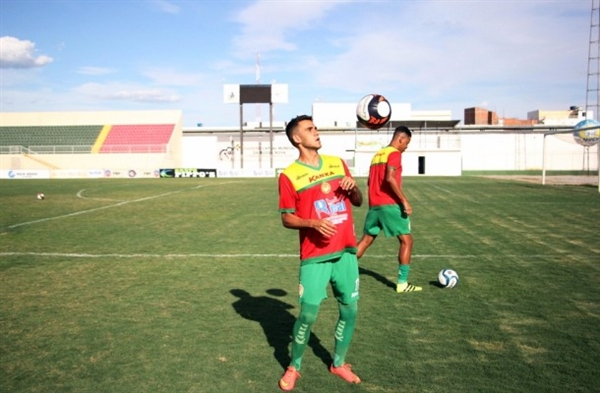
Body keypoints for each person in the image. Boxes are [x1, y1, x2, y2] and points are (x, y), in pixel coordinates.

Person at [277, 115, 364, 391]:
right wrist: (312, 222)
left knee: (349, 310)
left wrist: (354, 189)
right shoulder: (289, 175)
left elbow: (358, 201)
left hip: (346, 252)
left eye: (315, 128)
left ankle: (338, 363)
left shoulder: (338, 163)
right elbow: (287, 218)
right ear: (296, 138)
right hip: (315, 255)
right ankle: (294, 366)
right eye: (309, 129)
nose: (316, 132)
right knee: (307, 314)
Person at [356, 125, 422, 293]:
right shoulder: (394, 153)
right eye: (407, 142)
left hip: (375, 206)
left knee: (365, 241)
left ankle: (339, 270)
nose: (406, 147)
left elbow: (371, 182)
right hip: (390, 205)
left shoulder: (378, 155)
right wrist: (404, 201)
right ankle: (402, 283)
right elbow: (390, 178)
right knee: (407, 241)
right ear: (401, 138)